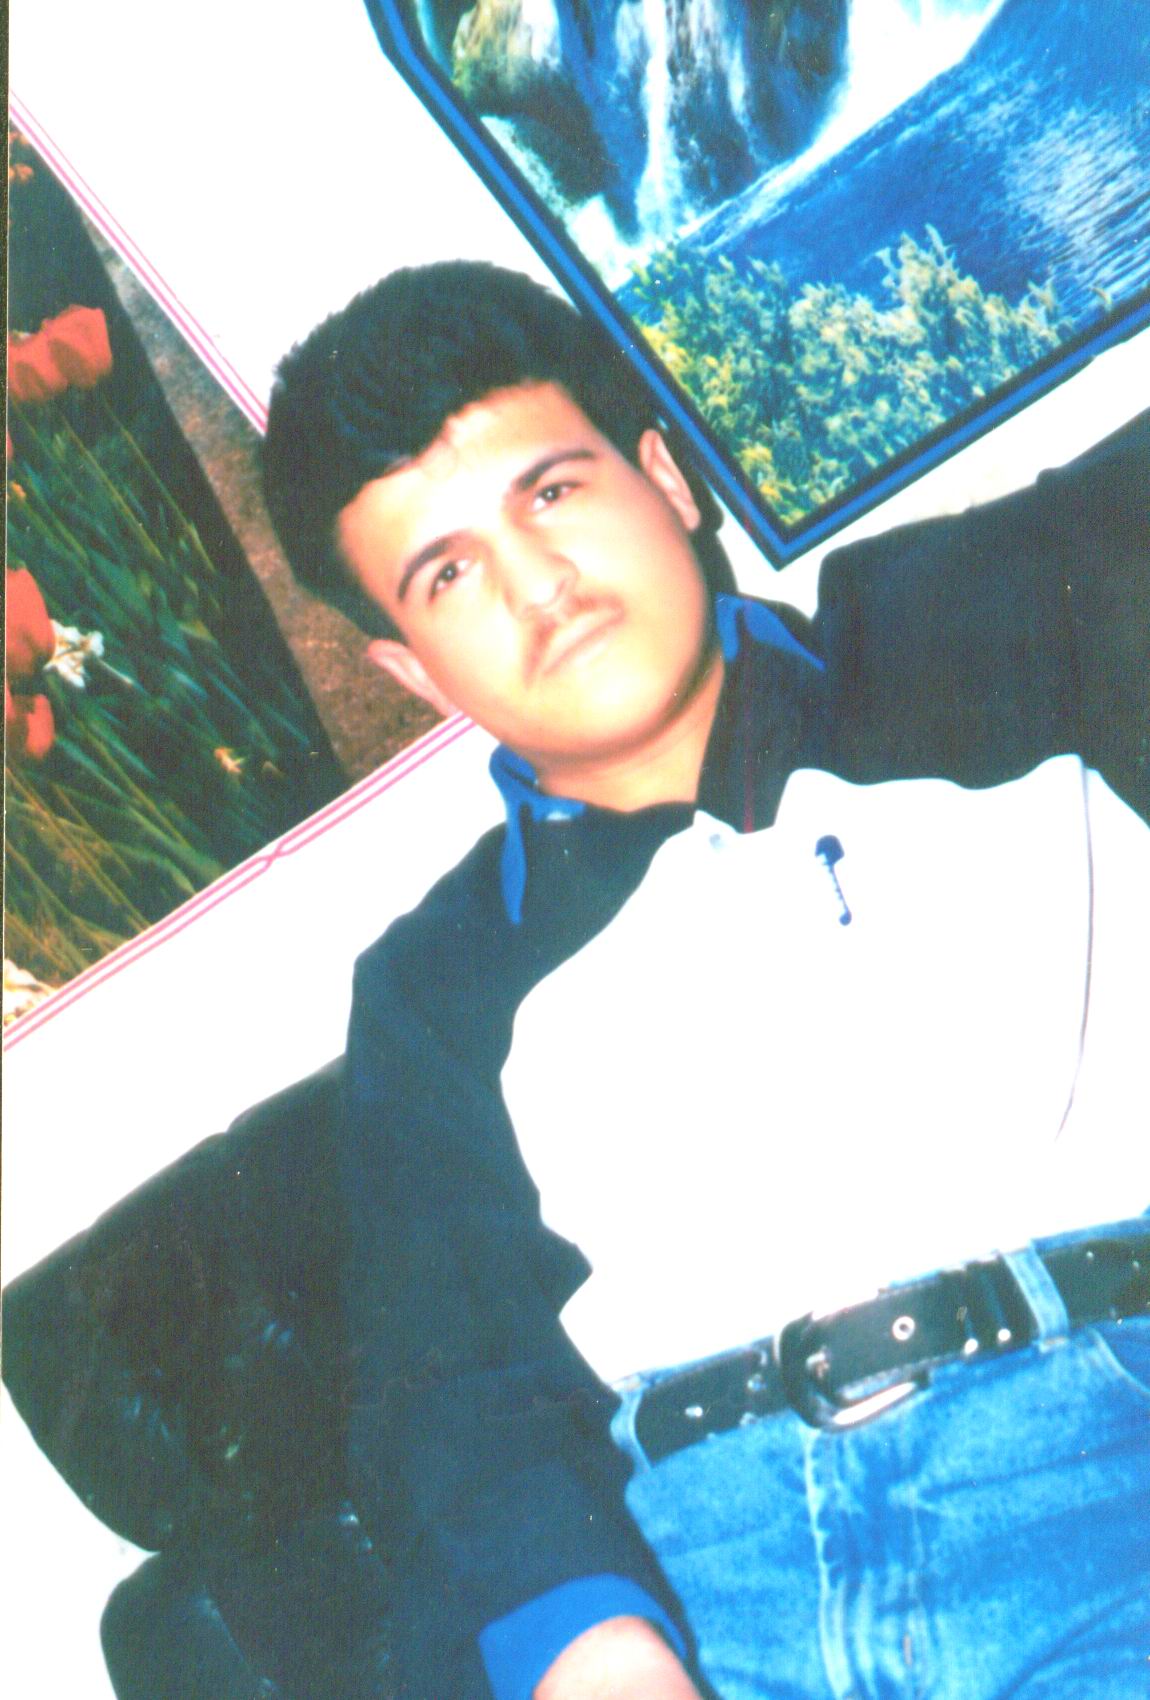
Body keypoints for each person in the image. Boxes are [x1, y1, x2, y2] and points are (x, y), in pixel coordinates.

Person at [262, 260, 1150, 1700]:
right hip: (702, 1584)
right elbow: (453, 1393)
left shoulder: (988, 625)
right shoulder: (436, 988)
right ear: (411, 668)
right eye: (448, 573)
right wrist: (591, 1648)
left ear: (665, 478)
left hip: (1091, 1462)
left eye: (552, 492)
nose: (538, 586)